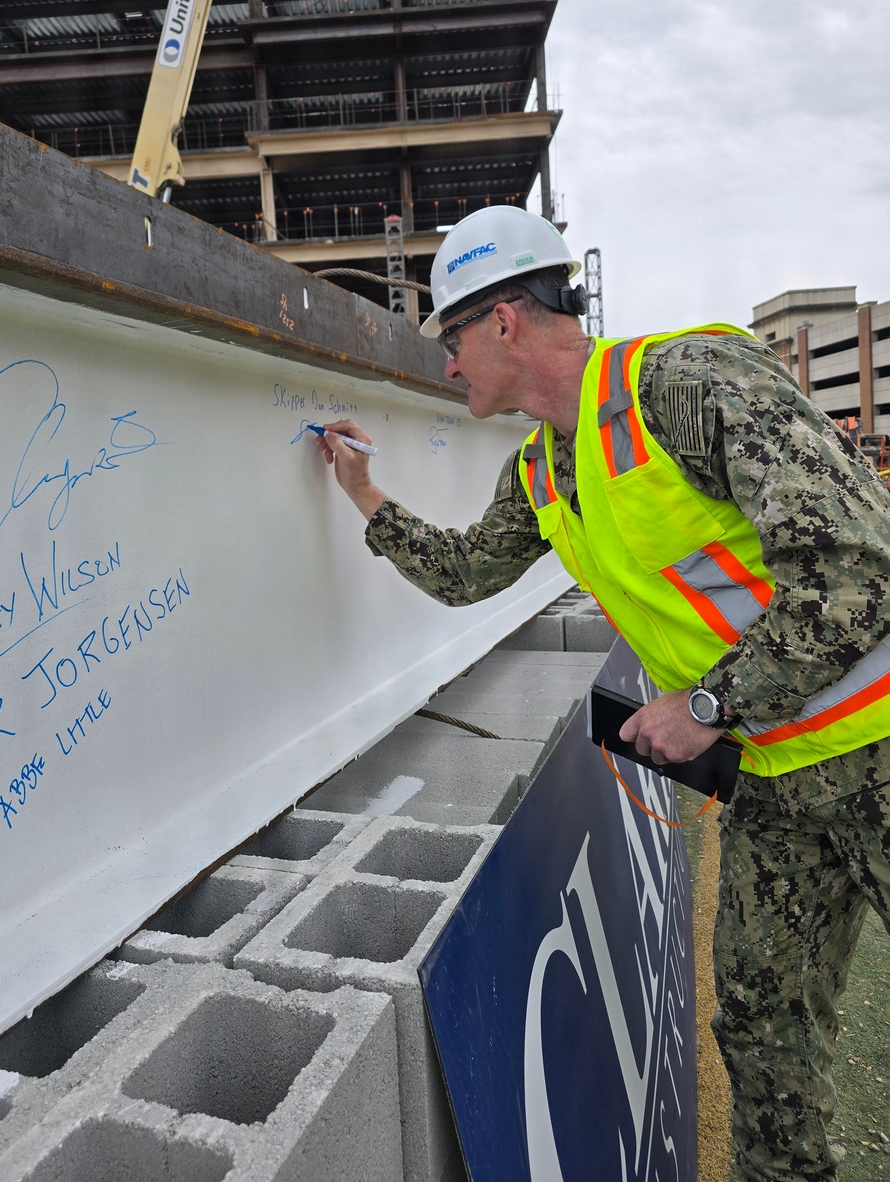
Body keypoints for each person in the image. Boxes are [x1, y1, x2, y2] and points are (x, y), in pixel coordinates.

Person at [317, 204, 890, 1182]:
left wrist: (704, 707)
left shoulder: (685, 386)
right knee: (762, 1029)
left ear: (504, 321)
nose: (446, 366)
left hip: (876, 750)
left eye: (451, 339)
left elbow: (857, 570)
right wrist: (365, 496)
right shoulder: (544, 470)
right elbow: (466, 571)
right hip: (777, 783)